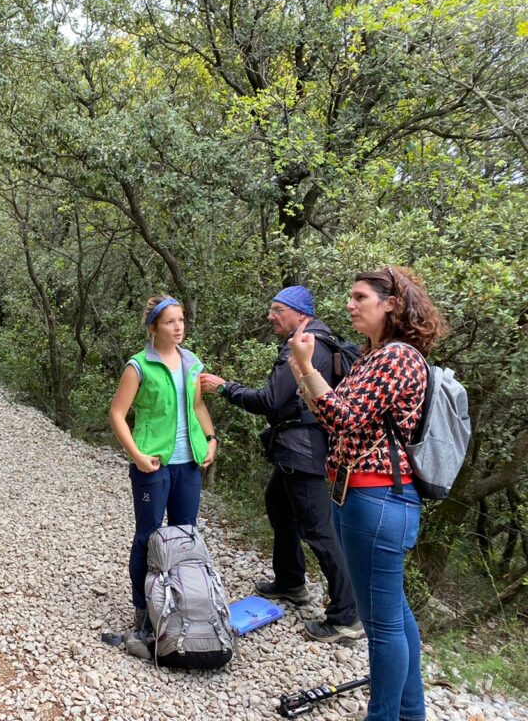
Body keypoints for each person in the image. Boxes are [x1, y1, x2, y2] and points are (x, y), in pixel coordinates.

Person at [288, 266, 446, 721]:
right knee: (393, 613)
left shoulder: (399, 357)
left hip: (377, 500)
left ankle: (384, 716)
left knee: (381, 625)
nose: (351, 305)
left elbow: (343, 418)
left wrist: (301, 363)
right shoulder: (374, 356)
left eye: (360, 297)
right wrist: (304, 367)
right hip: (361, 497)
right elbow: (332, 413)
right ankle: (410, 712)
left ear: (391, 303)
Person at [199, 286, 361, 643]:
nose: (270, 315)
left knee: (319, 531)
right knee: (278, 505)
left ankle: (347, 616)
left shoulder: (303, 346)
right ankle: (291, 583)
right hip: (299, 448)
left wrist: (225, 388)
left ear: (299, 313)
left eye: (277, 309)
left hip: (302, 452)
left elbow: (271, 401)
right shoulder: (318, 340)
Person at [109, 295, 219, 634]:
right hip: (153, 467)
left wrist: (211, 439)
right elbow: (117, 414)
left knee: (186, 535)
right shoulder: (138, 365)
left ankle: (180, 605)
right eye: (171, 321)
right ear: (154, 327)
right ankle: (143, 611)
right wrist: (137, 456)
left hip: (189, 465)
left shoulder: (192, 363)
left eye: (181, 320)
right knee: (148, 536)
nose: (179, 327)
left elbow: (198, 406)